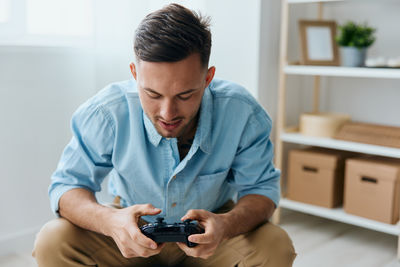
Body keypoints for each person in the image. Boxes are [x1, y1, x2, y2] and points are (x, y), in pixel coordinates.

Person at [33, 3, 296, 267]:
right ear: (135, 75)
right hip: (131, 234)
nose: (167, 113)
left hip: (212, 236)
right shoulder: (106, 113)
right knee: (53, 240)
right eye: (153, 94)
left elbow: (262, 190)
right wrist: (110, 221)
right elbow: (67, 186)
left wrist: (225, 225)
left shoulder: (243, 113)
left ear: (207, 78)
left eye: (185, 95)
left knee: (275, 245)